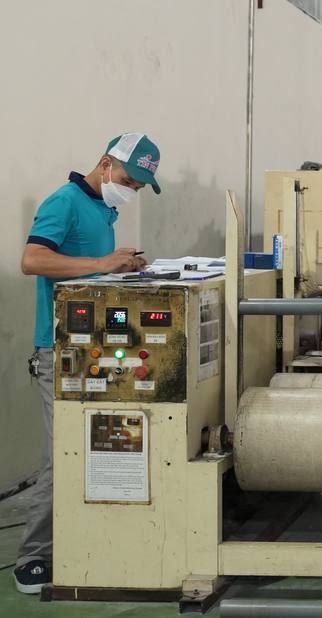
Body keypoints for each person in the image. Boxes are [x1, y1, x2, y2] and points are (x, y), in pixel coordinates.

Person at [14, 133, 161, 594]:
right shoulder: (65, 202)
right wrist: (102, 261)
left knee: (103, 448)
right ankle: (32, 558)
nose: (131, 190)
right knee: (63, 455)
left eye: (139, 187)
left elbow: (88, 269)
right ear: (105, 164)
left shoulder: (102, 209)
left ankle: (91, 540)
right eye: (129, 181)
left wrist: (120, 267)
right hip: (58, 347)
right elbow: (32, 259)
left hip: (91, 342)